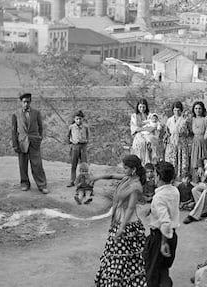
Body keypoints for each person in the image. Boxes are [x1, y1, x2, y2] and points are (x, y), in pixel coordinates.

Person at [94, 154, 147, 286]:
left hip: (127, 225)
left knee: (122, 256)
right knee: (120, 256)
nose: (123, 170)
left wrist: (122, 228)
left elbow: (130, 209)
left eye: (125, 168)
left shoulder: (135, 186)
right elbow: (112, 176)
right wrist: (96, 178)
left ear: (133, 169)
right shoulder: (127, 178)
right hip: (120, 221)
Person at [144, 161, 180, 287]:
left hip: (160, 237)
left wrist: (164, 242)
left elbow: (165, 222)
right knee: (163, 270)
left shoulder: (158, 197)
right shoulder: (175, 191)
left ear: (158, 177)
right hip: (173, 236)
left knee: (152, 273)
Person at [11, 93, 48, 194]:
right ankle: (24, 183)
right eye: (24, 102)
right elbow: (14, 131)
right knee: (22, 164)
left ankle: (42, 185)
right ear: (21, 102)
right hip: (22, 142)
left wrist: (39, 138)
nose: (26, 104)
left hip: (34, 141)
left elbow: (41, 127)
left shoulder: (36, 113)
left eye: (28, 101)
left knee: (37, 164)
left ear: (30, 102)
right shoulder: (16, 114)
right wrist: (15, 144)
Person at [164, 101, 191, 179]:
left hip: (181, 142)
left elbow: (187, 133)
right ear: (173, 110)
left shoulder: (184, 120)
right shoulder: (169, 120)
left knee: (181, 161)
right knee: (171, 160)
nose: (176, 112)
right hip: (172, 142)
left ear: (181, 110)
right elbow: (167, 132)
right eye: (175, 110)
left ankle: (181, 177)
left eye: (178, 110)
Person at [67, 110, 89, 187]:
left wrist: (85, 144)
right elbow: (68, 136)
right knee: (74, 165)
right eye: (77, 119)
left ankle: (84, 181)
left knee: (84, 165)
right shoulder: (71, 127)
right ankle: (72, 180)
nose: (79, 121)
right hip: (75, 147)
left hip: (83, 147)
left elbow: (88, 136)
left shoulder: (85, 127)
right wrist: (71, 145)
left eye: (80, 119)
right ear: (74, 119)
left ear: (82, 119)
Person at [131, 98, 154, 165]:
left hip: (149, 135)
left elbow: (152, 126)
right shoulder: (134, 116)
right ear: (138, 107)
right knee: (141, 144)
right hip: (139, 136)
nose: (142, 108)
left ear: (146, 107)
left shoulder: (150, 116)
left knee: (150, 145)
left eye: (143, 107)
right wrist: (144, 128)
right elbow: (135, 128)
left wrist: (144, 128)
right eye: (140, 107)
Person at [190, 101, 207, 182]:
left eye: (200, 108)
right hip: (195, 142)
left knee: (202, 159)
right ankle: (195, 180)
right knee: (194, 161)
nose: (198, 110)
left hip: (203, 142)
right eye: (196, 108)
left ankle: (203, 180)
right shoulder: (192, 120)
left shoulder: (206, 119)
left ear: (203, 109)